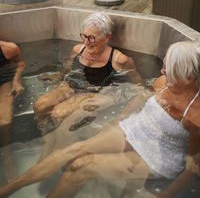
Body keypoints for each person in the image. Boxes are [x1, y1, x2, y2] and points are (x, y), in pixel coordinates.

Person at [0, 40, 200, 198]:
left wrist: (165, 195)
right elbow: (142, 97)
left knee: (82, 165)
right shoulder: (162, 83)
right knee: (71, 150)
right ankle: (8, 189)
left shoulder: (195, 116)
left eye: (167, 70)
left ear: (188, 78)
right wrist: (120, 117)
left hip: (158, 155)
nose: (161, 72)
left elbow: (192, 168)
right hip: (134, 129)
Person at [34, 11, 143, 132]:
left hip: (93, 92)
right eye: (84, 36)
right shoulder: (77, 49)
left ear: (106, 37)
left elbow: (137, 82)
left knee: (58, 113)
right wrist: (59, 76)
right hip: (70, 85)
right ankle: (47, 138)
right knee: (40, 105)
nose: (86, 42)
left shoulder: (119, 60)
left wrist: (139, 101)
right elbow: (69, 65)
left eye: (91, 38)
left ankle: (60, 141)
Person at [0, 40, 26, 182]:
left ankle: (7, 154)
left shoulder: (8, 49)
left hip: (3, 81)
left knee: (5, 120)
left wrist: (16, 80)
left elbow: (21, 64)